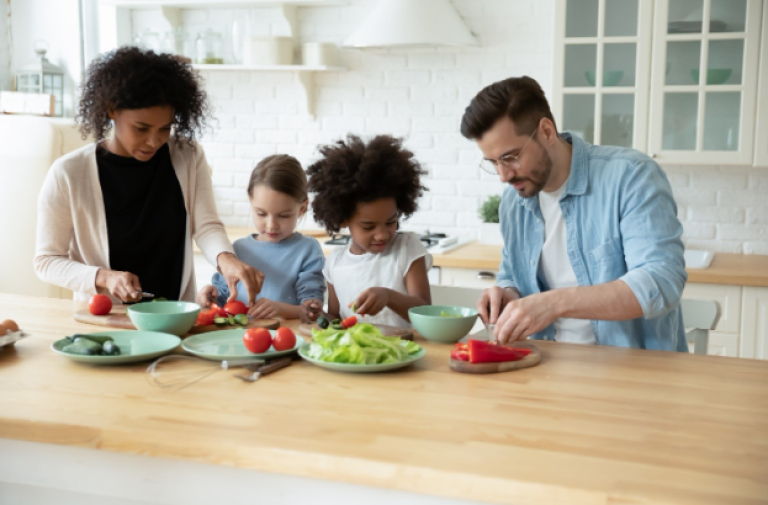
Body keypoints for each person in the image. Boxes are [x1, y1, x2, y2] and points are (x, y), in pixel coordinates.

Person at [461, 76, 687, 350]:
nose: (503, 175)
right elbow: (511, 273)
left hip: (630, 374)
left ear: (546, 131)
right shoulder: (514, 201)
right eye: (493, 162)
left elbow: (661, 282)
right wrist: (506, 293)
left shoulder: (630, 176)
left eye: (510, 157)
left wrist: (553, 304)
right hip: (544, 366)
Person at [35, 47, 263, 304]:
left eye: (165, 128)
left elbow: (206, 225)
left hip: (176, 317)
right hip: (107, 321)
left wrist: (226, 259)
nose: (154, 141)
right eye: (141, 128)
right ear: (112, 109)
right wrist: (104, 277)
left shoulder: (188, 156)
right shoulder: (69, 174)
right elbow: (46, 261)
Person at [307, 134, 431, 328]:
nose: (382, 234)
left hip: (404, 352)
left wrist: (388, 296)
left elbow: (425, 311)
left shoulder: (407, 248)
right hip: (356, 355)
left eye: (391, 222)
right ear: (344, 219)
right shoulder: (335, 263)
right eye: (368, 226)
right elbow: (335, 317)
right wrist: (318, 317)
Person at [197, 155, 325, 321]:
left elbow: (313, 311)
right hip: (240, 339)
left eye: (284, 216)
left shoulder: (308, 249)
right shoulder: (236, 250)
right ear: (250, 202)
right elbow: (222, 299)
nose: (271, 225)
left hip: (289, 339)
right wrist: (209, 297)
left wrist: (281, 309)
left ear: (302, 208)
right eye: (261, 214)